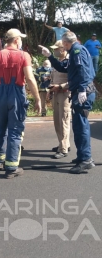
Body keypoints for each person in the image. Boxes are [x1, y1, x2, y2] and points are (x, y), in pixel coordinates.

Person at [0, 28, 41, 179]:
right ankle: (11, 167)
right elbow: (30, 78)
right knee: (15, 130)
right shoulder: (24, 55)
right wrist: (38, 99)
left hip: (1, 93)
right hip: (17, 93)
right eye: (21, 39)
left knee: (1, 127)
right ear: (17, 40)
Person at [39, 31, 96, 174]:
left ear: (65, 43)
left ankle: (86, 160)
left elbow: (83, 70)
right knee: (78, 126)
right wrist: (50, 56)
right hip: (80, 91)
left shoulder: (76, 50)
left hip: (83, 92)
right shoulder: (76, 51)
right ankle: (82, 156)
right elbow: (64, 68)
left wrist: (82, 89)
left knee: (81, 127)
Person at [48, 40, 71, 159]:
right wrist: (51, 89)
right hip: (56, 93)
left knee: (64, 121)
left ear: (62, 49)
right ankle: (63, 144)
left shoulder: (69, 61)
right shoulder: (57, 62)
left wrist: (60, 86)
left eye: (56, 49)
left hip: (65, 94)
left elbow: (73, 80)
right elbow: (53, 77)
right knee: (57, 121)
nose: (54, 51)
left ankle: (63, 149)